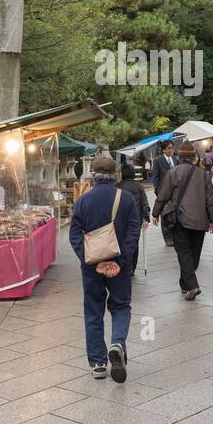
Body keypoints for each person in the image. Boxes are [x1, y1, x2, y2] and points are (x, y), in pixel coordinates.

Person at [69, 154, 140, 382]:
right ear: (115, 175)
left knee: (93, 311)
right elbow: (133, 231)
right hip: (119, 266)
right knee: (120, 306)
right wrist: (120, 260)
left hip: (92, 267)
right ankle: (118, 342)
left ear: (93, 175)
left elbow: (74, 235)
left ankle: (98, 362)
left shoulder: (83, 201)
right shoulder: (126, 199)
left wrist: (90, 259)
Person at [151, 140, 213, 299]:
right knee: (193, 254)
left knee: (184, 252)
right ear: (194, 157)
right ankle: (187, 285)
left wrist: (155, 214)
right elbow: (210, 199)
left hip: (179, 219)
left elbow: (163, 195)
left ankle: (191, 285)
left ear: (179, 157)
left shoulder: (172, 173)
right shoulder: (204, 174)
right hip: (200, 220)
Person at [118, 163, 151, 276]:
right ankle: (132, 267)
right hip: (135, 220)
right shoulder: (139, 187)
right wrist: (146, 218)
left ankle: (123, 264)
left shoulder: (117, 186)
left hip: (120, 219)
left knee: (120, 241)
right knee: (134, 242)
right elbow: (144, 203)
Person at [151, 140, 179, 246]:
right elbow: (155, 178)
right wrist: (158, 191)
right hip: (164, 192)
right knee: (165, 214)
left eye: (172, 148)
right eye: (169, 148)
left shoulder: (175, 159)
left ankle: (174, 235)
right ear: (163, 150)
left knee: (175, 215)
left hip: (175, 193)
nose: (171, 150)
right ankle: (167, 237)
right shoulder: (158, 161)